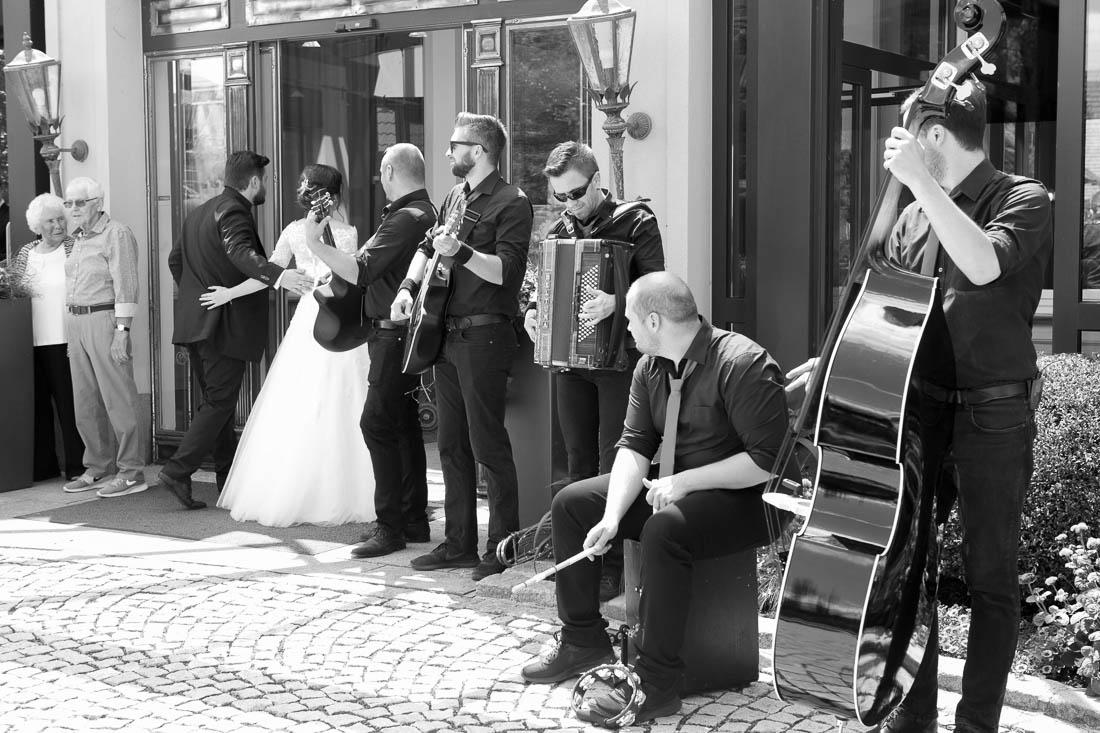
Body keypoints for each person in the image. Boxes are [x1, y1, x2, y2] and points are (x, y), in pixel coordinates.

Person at [788, 79, 1052, 733]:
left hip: (994, 417)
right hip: (919, 415)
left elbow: (984, 265)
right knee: (905, 567)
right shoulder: (910, 218)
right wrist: (833, 364)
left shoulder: (1022, 197)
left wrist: (921, 187)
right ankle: (914, 720)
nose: (893, 150)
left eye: (904, 136)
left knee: (991, 581)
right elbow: (886, 316)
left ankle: (976, 726)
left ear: (934, 136)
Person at [520, 272, 791, 727]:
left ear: (653, 321)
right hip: (677, 485)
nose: (624, 327)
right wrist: (611, 517)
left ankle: (657, 682)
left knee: (664, 529)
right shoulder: (649, 367)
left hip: (751, 499)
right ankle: (583, 640)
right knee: (573, 504)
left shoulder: (742, 362)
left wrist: (685, 482)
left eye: (628, 319)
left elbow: (768, 462)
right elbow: (635, 446)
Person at [391, 112, 534, 581]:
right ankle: (458, 545)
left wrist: (463, 252)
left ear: (479, 150)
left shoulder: (512, 201)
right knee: (451, 445)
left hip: (485, 335)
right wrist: (408, 287)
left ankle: (502, 549)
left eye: (455, 144)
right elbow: (428, 246)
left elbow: (507, 272)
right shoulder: (455, 195)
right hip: (446, 333)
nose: (448, 151)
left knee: (488, 445)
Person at [523, 140, 665, 602]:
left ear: (597, 180)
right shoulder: (557, 229)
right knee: (577, 461)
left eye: (576, 193)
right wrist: (532, 311)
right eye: (560, 196)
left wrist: (617, 301)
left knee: (613, 462)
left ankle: (615, 567)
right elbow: (538, 283)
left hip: (619, 362)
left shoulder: (636, 221)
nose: (569, 203)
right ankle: (579, 561)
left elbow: (656, 288)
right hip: (570, 364)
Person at [210, 163, 376, 526]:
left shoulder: (294, 231)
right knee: (344, 396)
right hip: (336, 316)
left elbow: (268, 273)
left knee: (300, 397)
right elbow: (352, 277)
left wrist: (230, 293)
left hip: (308, 317)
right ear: (335, 196)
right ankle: (349, 488)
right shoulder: (347, 233)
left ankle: (291, 487)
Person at [161, 151, 312, 510]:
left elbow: (174, 260)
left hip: (198, 323)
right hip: (221, 326)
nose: (266, 186)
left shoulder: (200, 211)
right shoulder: (233, 211)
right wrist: (280, 276)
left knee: (218, 405)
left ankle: (226, 477)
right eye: (265, 180)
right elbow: (240, 253)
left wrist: (195, 297)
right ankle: (177, 470)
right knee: (219, 403)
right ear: (254, 181)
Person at [305, 145, 436, 555]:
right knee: (402, 425)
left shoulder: (409, 217)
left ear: (390, 170)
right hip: (395, 334)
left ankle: (390, 526)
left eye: (381, 174)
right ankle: (412, 520)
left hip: (394, 335)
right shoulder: (418, 214)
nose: (380, 181)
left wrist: (315, 244)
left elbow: (361, 270)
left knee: (376, 424)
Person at [60, 177, 149, 500]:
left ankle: (131, 472)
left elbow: (126, 285)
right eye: (68, 203)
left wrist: (122, 332)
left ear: (97, 202)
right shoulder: (77, 238)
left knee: (118, 398)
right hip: (77, 322)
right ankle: (98, 466)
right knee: (85, 401)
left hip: (104, 319)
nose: (73, 209)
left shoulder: (116, 233)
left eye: (79, 203)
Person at [10, 193, 84, 481]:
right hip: (31, 341)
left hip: (64, 339)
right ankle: (43, 467)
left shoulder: (73, 247)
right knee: (38, 406)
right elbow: (15, 291)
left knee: (69, 406)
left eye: (60, 219)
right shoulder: (26, 253)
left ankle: (78, 466)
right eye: (50, 221)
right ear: (37, 226)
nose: (58, 225)